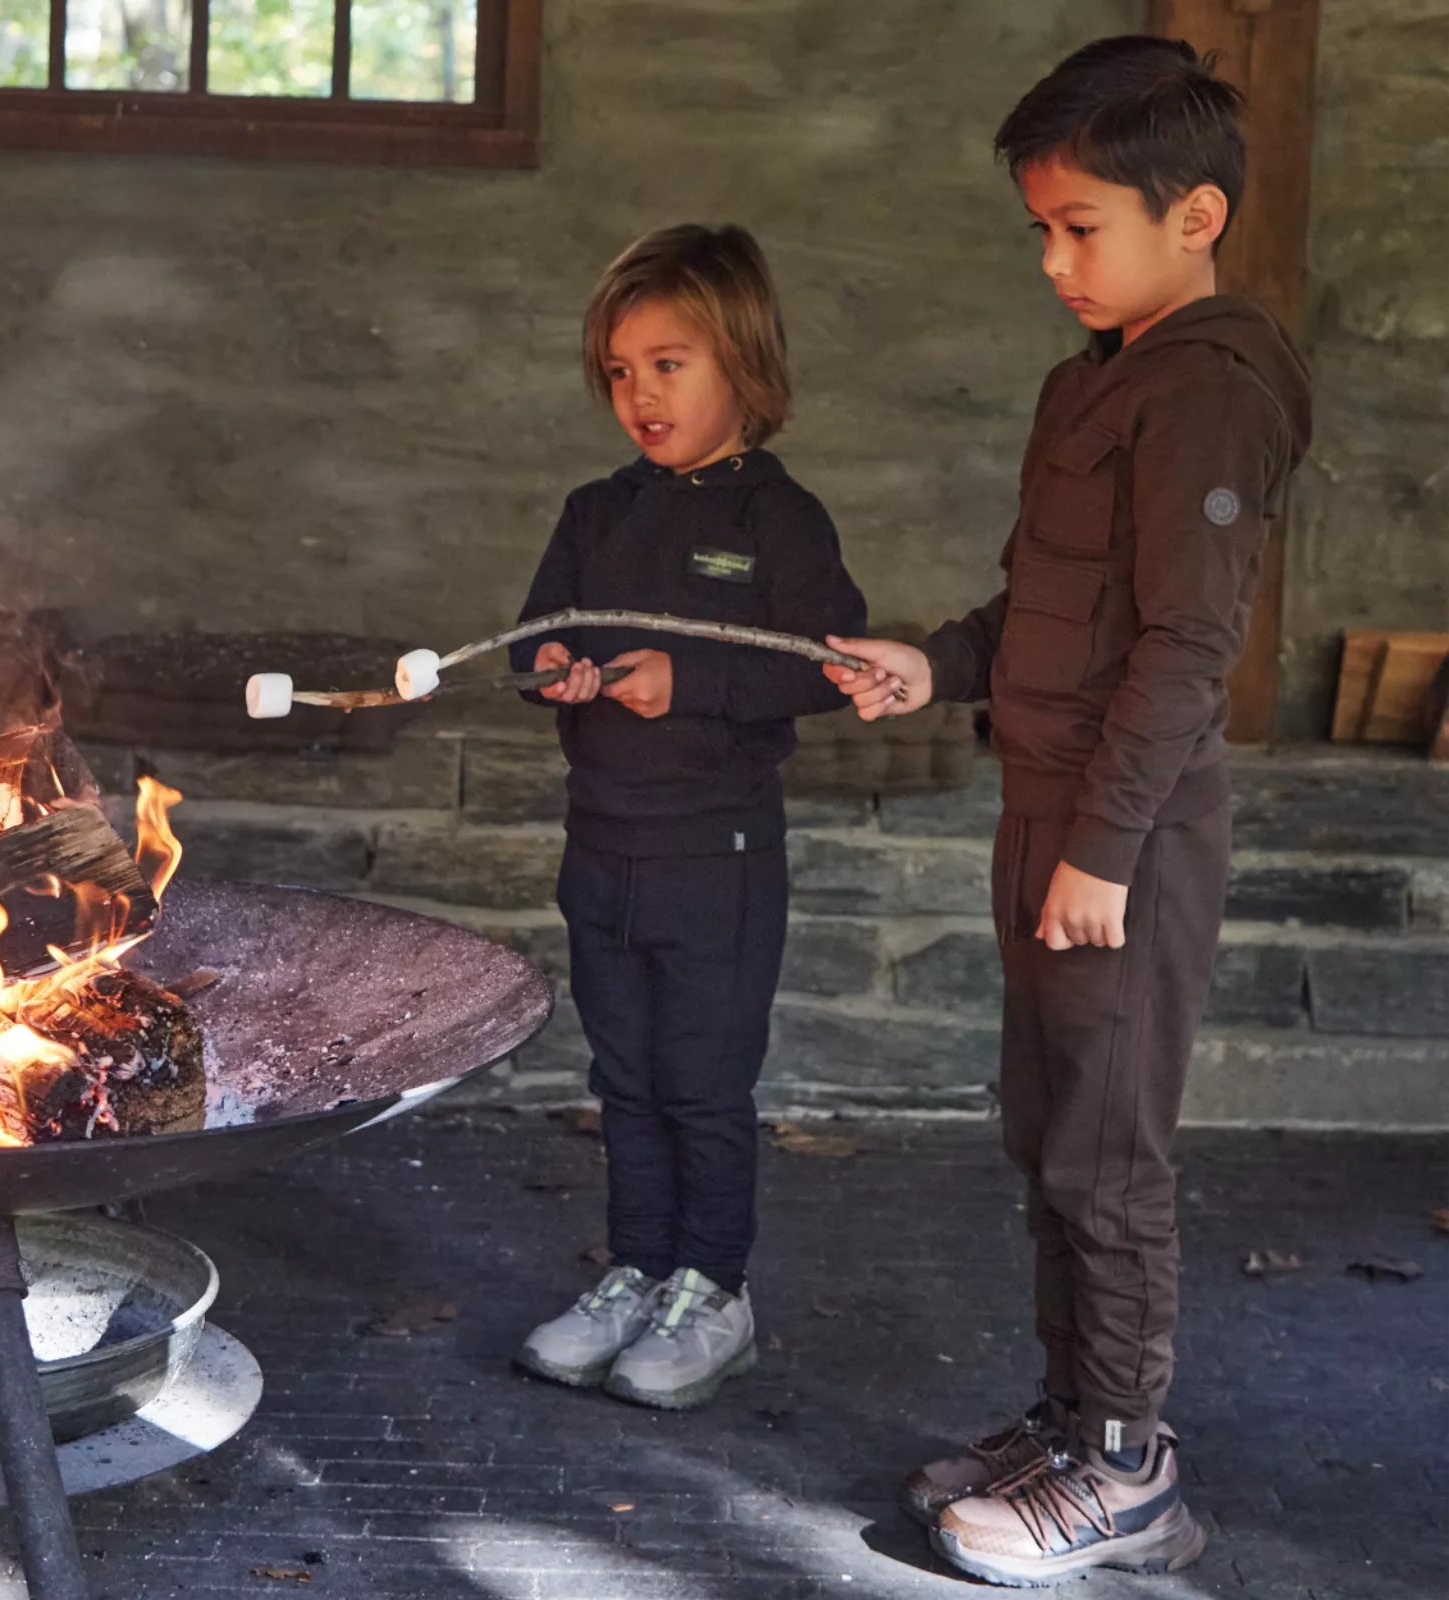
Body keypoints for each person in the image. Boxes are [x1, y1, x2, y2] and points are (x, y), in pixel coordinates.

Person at [826, 36, 1311, 1587]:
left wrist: (1102, 850)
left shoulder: (1212, 396)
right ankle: (1069, 1416)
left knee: (1107, 1151)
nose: (1054, 262)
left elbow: (1185, 647)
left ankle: (1129, 1470)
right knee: (1046, 1133)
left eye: (1080, 226)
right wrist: (936, 661)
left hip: (1131, 835)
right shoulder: (1098, 383)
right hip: (1052, 811)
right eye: (1040, 228)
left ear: (1199, 217)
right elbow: (1049, 604)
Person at [510, 223, 866, 1410]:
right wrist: (554, 661)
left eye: (670, 364)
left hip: (716, 861)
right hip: (599, 845)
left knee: (702, 1084)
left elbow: (825, 665)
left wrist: (691, 681)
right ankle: (638, 1268)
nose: (639, 394)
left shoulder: (779, 520)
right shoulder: (594, 509)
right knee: (623, 1078)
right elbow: (535, 636)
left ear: (742, 366)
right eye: (619, 371)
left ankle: (714, 1291)